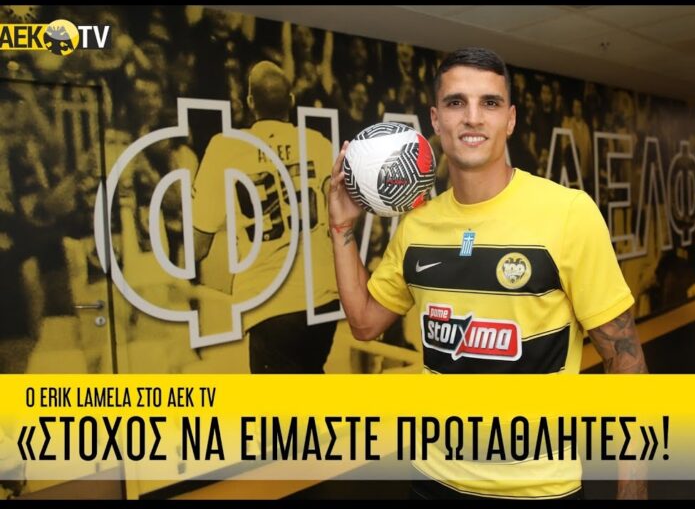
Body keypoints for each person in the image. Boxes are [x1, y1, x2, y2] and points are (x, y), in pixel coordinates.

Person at [327, 47, 648, 499]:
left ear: (510, 119)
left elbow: (626, 363)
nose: (473, 118)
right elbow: (364, 322)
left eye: (490, 103)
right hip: (432, 479)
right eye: (456, 102)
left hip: (537, 489)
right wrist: (341, 228)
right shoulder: (417, 226)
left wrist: (633, 490)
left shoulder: (568, 214)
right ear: (436, 120)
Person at [193, 61, 338, 373]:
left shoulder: (225, 148)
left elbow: (198, 245)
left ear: (250, 102)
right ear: (291, 100)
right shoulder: (318, 144)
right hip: (323, 297)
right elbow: (346, 216)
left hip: (270, 302)